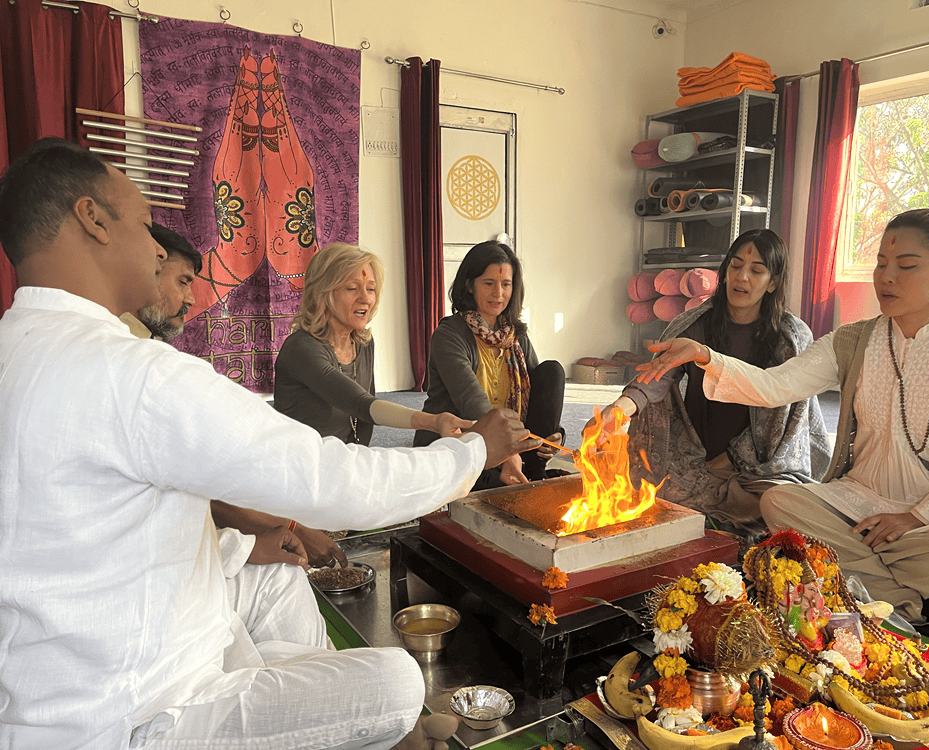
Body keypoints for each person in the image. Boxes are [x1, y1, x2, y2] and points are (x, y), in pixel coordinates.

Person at [0, 137, 539, 749]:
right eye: (147, 225)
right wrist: (472, 451)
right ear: (92, 220)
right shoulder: (129, 373)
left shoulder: (19, 350)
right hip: (133, 712)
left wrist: (237, 551)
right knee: (395, 680)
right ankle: (345, 725)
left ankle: (313, 722)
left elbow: (93, 539)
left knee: (274, 575)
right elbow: (326, 478)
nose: (156, 249)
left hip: (65, 675)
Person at [638, 207, 929, 646]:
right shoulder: (853, 339)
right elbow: (775, 385)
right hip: (858, 502)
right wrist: (705, 356)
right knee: (779, 501)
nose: (886, 277)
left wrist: (916, 516)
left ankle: (867, 585)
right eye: (881, 264)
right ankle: (917, 604)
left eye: (905, 266)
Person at [123, 225, 346, 568]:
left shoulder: (144, 347)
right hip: (151, 557)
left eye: (371, 288)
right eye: (183, 282)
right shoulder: (136, 362)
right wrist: (290, 527)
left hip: (188, 529)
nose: (191, 300)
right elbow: (207, 484)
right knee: (282, 577)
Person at [591, 229, 831, 535]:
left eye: (756, 271)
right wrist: (620, 408)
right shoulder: (697, 323)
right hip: (695, 453)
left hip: (758, 468)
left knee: (781, 507)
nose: (741, 277)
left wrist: (729, 461)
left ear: (773, 282)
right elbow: (659, 375)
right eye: (735, 266)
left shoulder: (790, 338)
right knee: (652, 498)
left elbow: (784, 417)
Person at [274, 242, 467, 445]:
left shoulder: (362, 342)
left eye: (371, 289)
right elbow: (361, 403)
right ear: (323, 293)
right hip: (302, 463)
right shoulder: (301, 349)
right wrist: (433, 422)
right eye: (352, 288)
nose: (366, 299)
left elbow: (365, 420)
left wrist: (359, 459)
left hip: (344, 460)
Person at [415, 240, 566, 488]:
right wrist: (506, 453)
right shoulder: (449, 335)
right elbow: (471, 400)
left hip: (510, 449)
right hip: (461, 444)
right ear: (469, 285)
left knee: (552, 371)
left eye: (506, 284)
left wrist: (554, 434)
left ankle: (533, 470)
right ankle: (513, 472)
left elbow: (539, 393)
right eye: (489, 283)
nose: (498, 293)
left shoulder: (515, 335)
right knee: (491, 487)